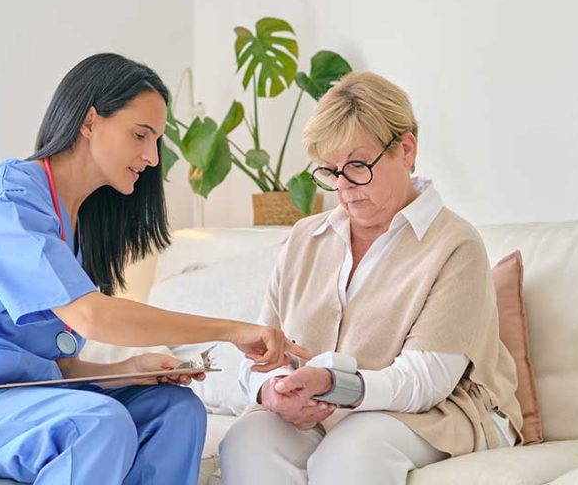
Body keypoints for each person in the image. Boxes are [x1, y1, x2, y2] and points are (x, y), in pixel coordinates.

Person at [0, 53, 309, 485]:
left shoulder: (79, 225)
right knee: (97, 423)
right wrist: (231, 330)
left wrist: (129, 369)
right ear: (89, 122)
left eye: (156, 140)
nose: (153, 157)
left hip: (18, 401)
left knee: (177, 411)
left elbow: (57, 367)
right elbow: (92, 317)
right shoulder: (7, 200)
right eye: (140, 135)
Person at [220, 71, 523, 485]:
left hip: (437, 412)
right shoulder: (305, 238)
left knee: (351, 450)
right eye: (330, 171)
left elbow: (426, 381)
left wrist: (334, 384)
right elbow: (257, 354)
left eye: (358, 166)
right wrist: (270, 390)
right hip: (330, 411)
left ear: (407, 149)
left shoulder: (454, 244)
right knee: (247, 438)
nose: (344, 188)